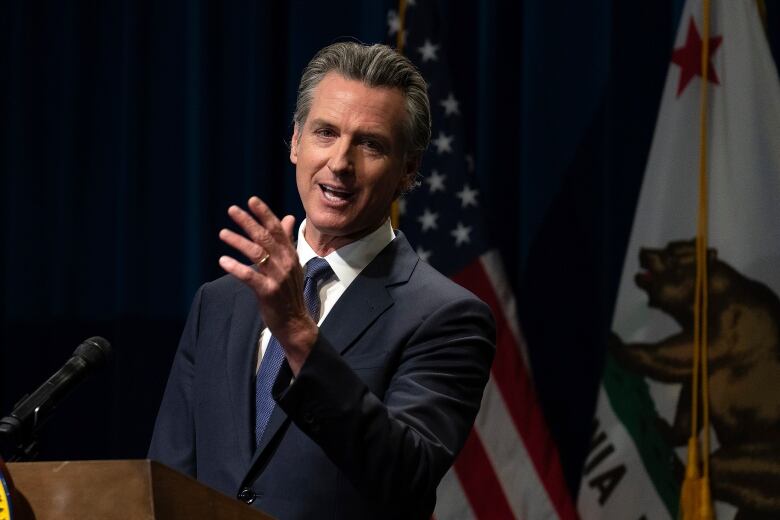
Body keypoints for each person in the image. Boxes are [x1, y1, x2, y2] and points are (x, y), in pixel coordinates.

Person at [149, 42, 495, 519]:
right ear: (295, 141)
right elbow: (169, 475)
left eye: (370, 144)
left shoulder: (447, 316)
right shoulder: (220, 301)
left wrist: (298, 335)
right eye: (326, 132)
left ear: (409, 171)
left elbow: (406, 477)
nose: (340, 162)